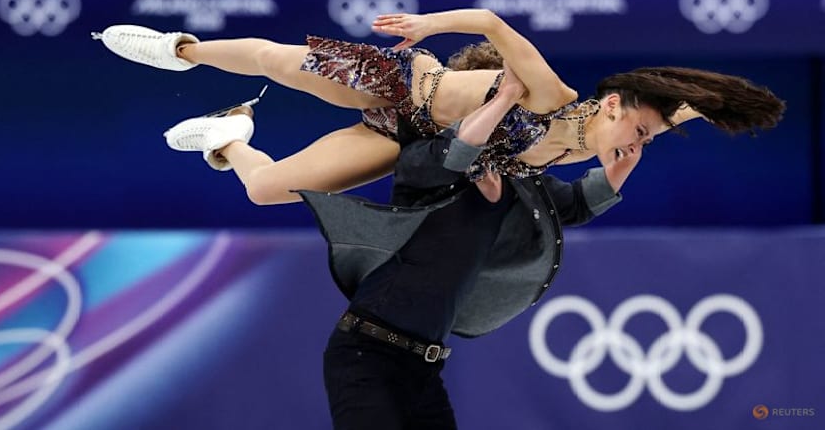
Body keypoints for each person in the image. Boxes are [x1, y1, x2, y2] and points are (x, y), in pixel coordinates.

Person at [163, 64, 632, 429]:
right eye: (500, 107)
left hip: (423, 368)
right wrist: (504, 98)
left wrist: (619, 166)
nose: (515, 123)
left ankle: (230, 139)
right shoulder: (424, 159)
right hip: (367, 355)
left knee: (262, 186)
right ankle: (230, 138)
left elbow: (573, 205)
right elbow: (453, 154)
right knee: (263, 187)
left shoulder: (520, 181)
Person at [93, 8, 784, 205]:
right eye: (636, 128)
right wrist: (428, 26)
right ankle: (182, 49)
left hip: (407, 142)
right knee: (278, 61)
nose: (638, 143)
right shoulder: (555, 97)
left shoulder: (602, 144)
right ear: (609, 105)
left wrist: (719, 108)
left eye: (649, 139)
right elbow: (490, 23)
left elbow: (688, 105)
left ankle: (230, 134)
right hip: (399, 85)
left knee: (266, 190)